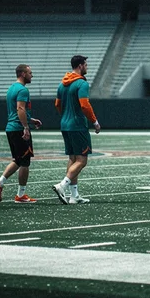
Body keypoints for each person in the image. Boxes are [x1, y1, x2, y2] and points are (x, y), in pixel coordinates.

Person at [52, 54, 101, 204]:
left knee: (72, 159)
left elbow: (57, 104)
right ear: (80, 66)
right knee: (82, 160)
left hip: (65, 124)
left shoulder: (62, 84)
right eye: (85, 65)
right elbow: (84, 105)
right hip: (78, 125)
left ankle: (74, 195)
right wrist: (94, 121)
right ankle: (62, 185)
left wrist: (65, 116)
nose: (87, 67)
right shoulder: (81, 83)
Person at [0, 64, 43, 204]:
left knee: (18, 160)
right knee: (25, 162)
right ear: (23, 74)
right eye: (30, 73)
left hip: (11, 128)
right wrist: (25, 127)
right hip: (18, 128)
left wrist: (31, 120)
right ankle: (20, 195)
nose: (32, 75)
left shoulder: (11, 88)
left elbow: (17, 111)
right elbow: (20, 109)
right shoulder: (22, 90)